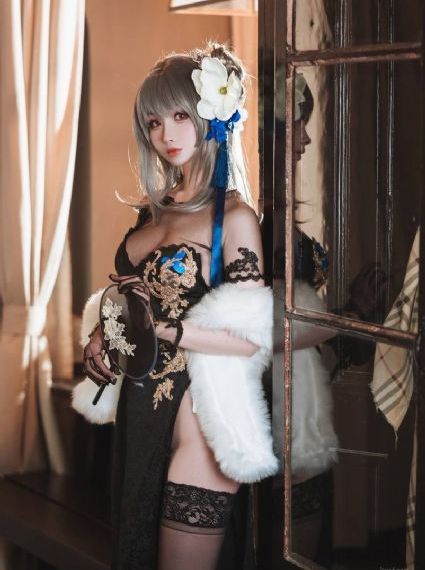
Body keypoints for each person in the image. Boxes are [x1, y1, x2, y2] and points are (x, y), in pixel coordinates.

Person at [73, 43, 278, 570]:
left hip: (197, 415)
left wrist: (164, 330)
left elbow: (252, 338)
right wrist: (104, 333)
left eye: (181, 115)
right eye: (154, 121)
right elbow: (132, 295)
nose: (166, 133)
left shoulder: (234, 217)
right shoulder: (153, 211)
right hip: (142, 411)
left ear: (210, 115)